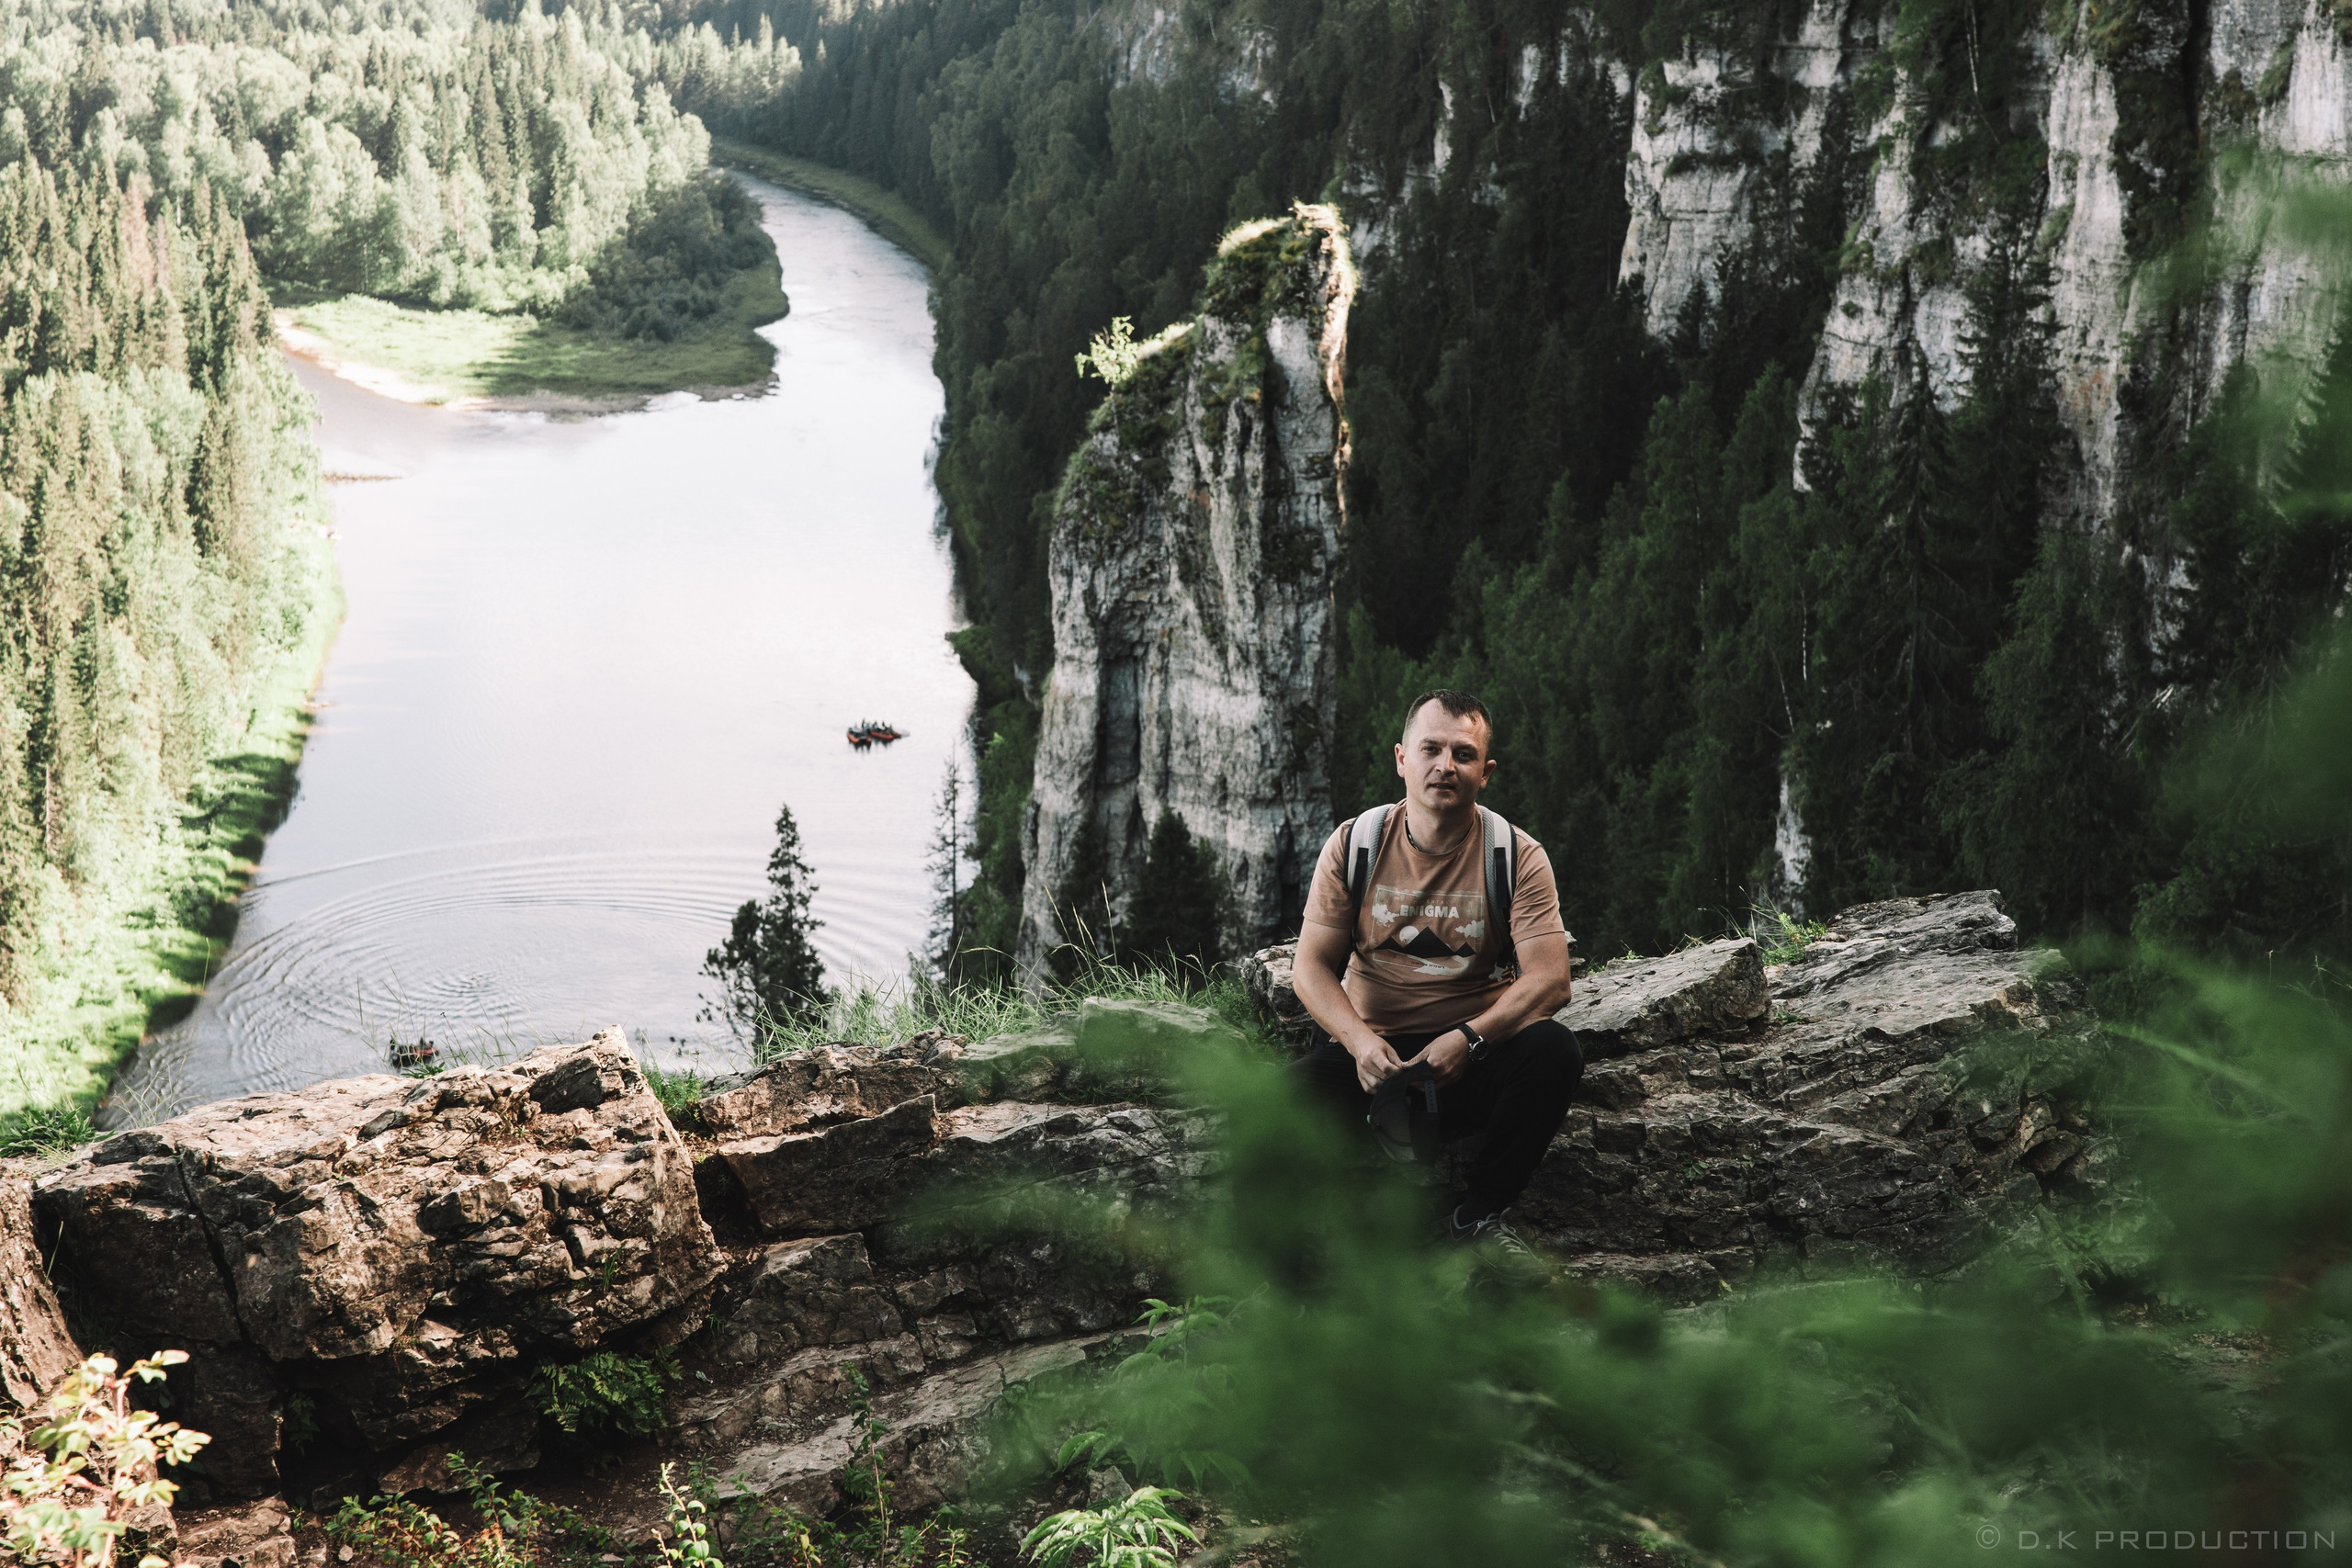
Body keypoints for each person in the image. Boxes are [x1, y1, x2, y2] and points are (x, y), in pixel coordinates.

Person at [1289, 688, 1581, 1263]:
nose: (1446, 766)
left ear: (1486, 771)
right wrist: (1360, 1044)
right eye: (1431, 749)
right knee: (1286, 1101)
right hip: (1371, 1061)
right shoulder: (1356, 845)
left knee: (1554, 1052)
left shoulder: (1514, 855)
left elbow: (1551, 980)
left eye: (1464, 754)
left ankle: (1478, 1218)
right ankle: (1305, 1263)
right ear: (1402, 759)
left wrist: (1470, 1039)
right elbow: (1311, 967)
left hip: (1473, 1059)